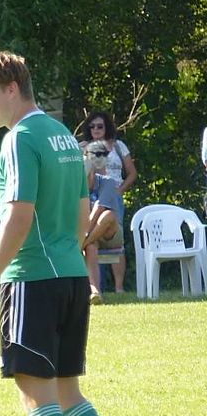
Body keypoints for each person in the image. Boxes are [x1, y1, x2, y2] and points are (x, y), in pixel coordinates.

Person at [0, 51, 108, 416]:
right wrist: (66, 252)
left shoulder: (20, 138)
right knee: (68, 394)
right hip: (72, 275)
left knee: (39, 402)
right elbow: (82, 215)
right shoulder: (62, 135)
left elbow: (18, 216)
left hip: (32, 279)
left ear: (11, 89)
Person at [80, 110, 135, 293]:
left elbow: (131, 173)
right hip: (89, 201)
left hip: (111, 196)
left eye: (100, 126)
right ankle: (96, 288)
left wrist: (117, 191)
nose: (96, 129)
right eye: (92, 126)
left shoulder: (118, 146)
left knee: (108, 221)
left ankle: (119, 288)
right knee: (93, 245)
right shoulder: (82, 147)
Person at [82, 140, 125, 304]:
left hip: (109, 233)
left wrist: (81, 239)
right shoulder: (76, 185)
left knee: (107, 215)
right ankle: (95, 291)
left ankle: (81, 244)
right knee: (91, 247)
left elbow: (98, 210)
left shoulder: (107, 181)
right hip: (90, 235)